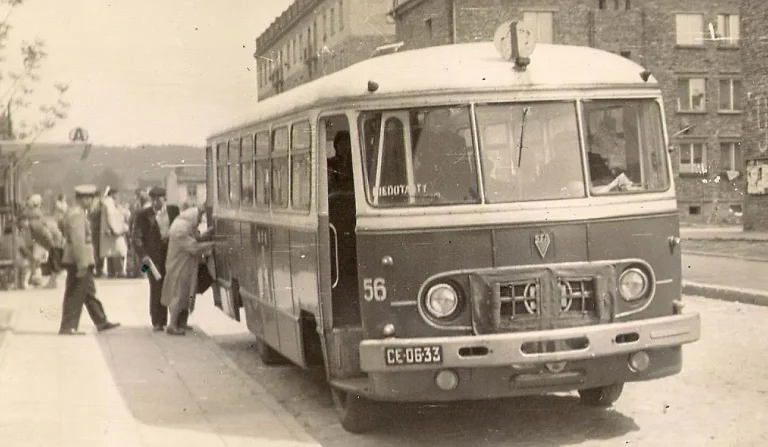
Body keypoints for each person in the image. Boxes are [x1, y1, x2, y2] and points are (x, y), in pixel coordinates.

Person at [58, 184, 120, 335]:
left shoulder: (72, 213)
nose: (92, 201)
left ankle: (101, 321)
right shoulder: (77, 215)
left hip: (79, 258)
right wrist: (82, 264)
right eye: (90, 198)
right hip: (79, 260)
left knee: (88, 291)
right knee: (75, 293)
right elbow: (78, 241)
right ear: (83, 199)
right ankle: (68, 326)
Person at [131, 187, 180, 331]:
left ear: (164, 198)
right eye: (152, 199)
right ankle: (158, 322)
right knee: (156, 287)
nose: (153, 202)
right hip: (152, 259)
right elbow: (136, 237)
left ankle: (177, 321)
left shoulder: (174, 211)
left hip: (172, 255)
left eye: (157, 199)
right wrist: (143, 255)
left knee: (175, 287)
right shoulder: (143, 215)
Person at [161, 206, 214, 335]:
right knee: (178, 295)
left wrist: (207, 234)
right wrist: (213, 245)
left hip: (185, 266)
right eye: (199, 218)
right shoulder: (180, 228)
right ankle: (172, 325)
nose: (199, 221)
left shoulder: (185, 223)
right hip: (179, 267)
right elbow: (193, 246)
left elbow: (195, 237)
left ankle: (182, 322)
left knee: (186, 294)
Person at [99, 188, 128, 278]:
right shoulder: (109, 203)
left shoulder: (106, 202)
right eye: (117, 194)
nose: (118, 196)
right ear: (112, 194)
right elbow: (111, 216)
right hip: (112, 232)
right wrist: (117, 230)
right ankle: (119, 271)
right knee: (118, 251)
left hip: (107, 231)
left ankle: (111, 271)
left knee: (110, 253)